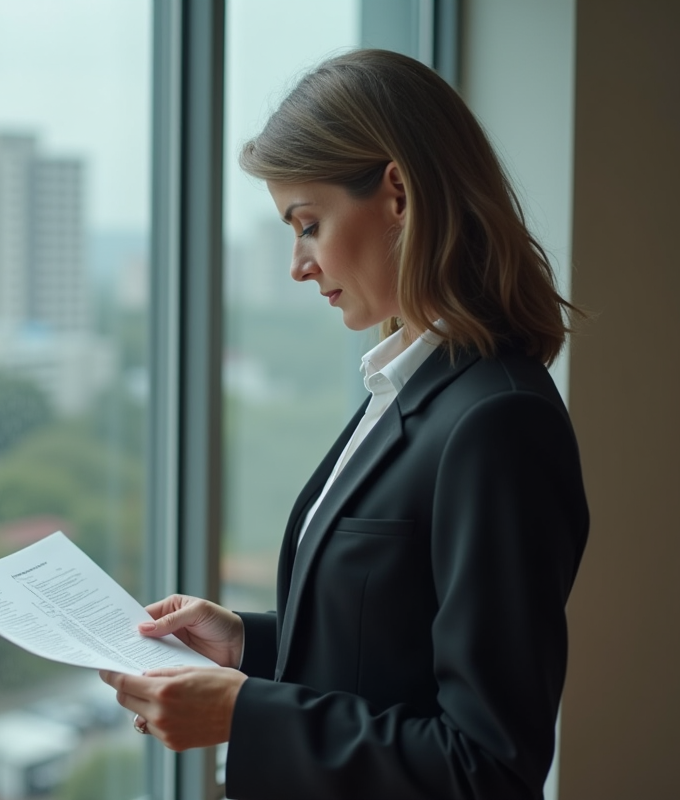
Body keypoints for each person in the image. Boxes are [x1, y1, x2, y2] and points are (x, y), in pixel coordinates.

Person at [100, 49, 589, 800]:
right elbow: (390, 647)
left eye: (308, 224)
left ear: (397, 194)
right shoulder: (405, 384)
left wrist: (247, 712)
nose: (298, 264)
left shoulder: (500, 422)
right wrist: (249, 645)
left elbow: (486, 767)